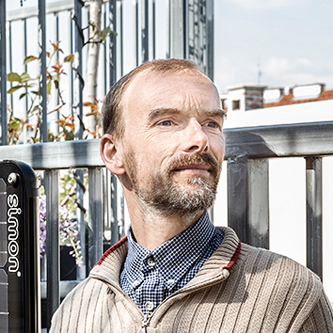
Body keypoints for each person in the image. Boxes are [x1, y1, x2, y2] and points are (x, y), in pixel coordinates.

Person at [50, 59, 333, 332]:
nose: (200, 140)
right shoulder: (77, 312)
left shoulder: (288, 296)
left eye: (212, 123)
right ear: (114, 154)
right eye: (166, 122)